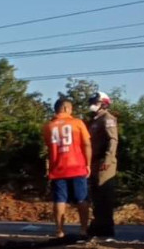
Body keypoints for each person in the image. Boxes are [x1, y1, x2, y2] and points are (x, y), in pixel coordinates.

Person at [42, 96, 92, 239]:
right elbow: (87, 144)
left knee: (60, 200)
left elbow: (49, 146)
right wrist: (88, 164)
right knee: (82, 198)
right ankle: (83, 229)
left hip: (58, 168)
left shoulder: (48, 126)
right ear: (65, 108)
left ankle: (59, 231)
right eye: (70, 108)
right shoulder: (77, 123)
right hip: (77, 166)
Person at [87, 91, 118, 240]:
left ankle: (106, 230)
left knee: (105, 196)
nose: (93, 105)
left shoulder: (107, 119)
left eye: (96, 102)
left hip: (104, 162)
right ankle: (97, 226)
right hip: (94, 162)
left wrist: (107, 160)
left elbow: (113, 140)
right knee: (97, 196)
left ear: (104, 104)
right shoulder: (94, 120)